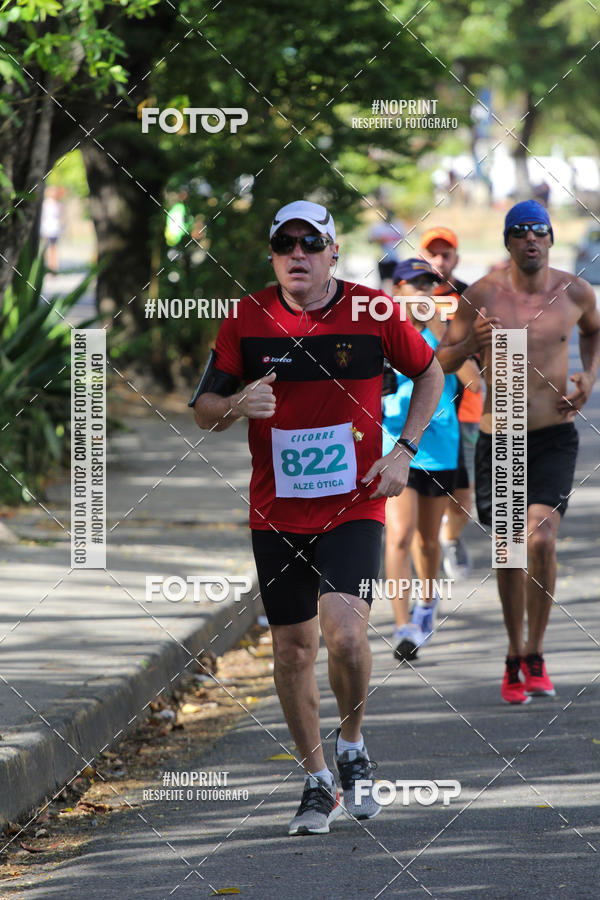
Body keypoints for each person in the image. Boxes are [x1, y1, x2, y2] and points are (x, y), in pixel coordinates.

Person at [191, 200, 443, 835]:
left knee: (348, 635)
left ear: (333, 251)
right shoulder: (245, 319)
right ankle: (316, 780)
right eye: (283, 245)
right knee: (292, 649)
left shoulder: (373, 311)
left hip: (355, 502)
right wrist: (237, 404)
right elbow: (203, 411)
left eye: (310, 243)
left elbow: (432, 371)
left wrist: (403, 452)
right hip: (275, 513)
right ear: (273, 255)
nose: (295, 254)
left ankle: (353, 746)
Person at [437, 200, 600, 704]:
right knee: (508, 549)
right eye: (520, 232)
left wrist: (589, 377)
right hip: (499, 435)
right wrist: (471, 349)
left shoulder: (575, 291)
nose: (531, 239)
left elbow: (594, 331)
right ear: (509, 242)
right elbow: (439, 361)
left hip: (554, 434)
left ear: (550, 239)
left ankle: (535, 650)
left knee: (542, 539)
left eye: (539, 232)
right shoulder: (482, 295)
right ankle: (513, 655)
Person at [383, 259, 479, 661]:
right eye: (414, 283)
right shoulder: (381, 329)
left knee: (426, 539)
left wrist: (443, 334)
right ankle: (402, 626)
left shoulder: (442, 331)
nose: (423, 290)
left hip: (438, 447)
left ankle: (426, 601)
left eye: (429, 284)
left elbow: (474, 379)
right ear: (398, 288)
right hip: (393, 445)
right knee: (400, 535)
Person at [420, 227, 484, 578]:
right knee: (420, 487)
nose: (439, 260)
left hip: (464, 410)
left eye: (446, 254)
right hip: (418, 409)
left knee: (463, 495)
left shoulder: (471, 296)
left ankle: (449, 537)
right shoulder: (408, 294)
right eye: (433, 253)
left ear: (456, 258)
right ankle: (422, 546)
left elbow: (485, 352)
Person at [369, 211, 406, 295]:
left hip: (395, 258)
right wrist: (380, 239)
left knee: (396, 283)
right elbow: (370, 240)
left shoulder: (398, 225)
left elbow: (403, 238)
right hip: (382, 258)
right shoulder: (377, 226)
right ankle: (381, 302)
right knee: (383, 283)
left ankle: (394, 303)